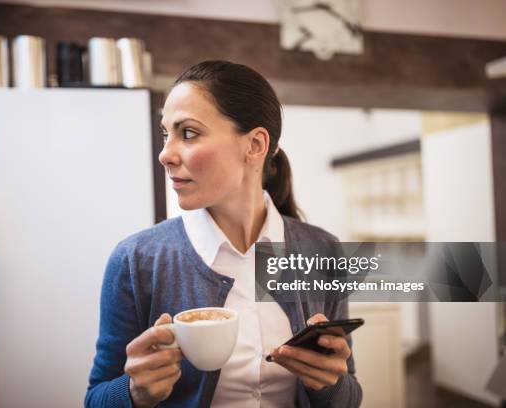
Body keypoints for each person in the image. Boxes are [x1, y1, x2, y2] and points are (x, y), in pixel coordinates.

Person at [84, 60, 362, 408]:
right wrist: (134, 393)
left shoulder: (323, 251)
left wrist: (330, 385)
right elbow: (96, 398)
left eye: (188, 133)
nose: (165, 154)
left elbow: (349, 395)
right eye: (165, 134)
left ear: (255, 146)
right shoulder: (135, 260)